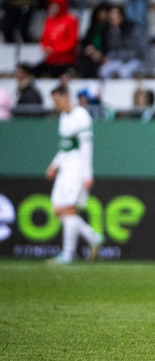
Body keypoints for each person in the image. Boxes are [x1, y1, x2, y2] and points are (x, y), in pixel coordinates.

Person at [45, 84, 104, 265]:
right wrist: (54, 165)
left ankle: (68, 254)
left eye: (56, 100)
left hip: (77, 168)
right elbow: (65, 147)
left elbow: (86, 147)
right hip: (65, 168)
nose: (55, 105)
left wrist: (87, 174)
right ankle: (92, 237)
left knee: (69, 209)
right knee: (57, 209)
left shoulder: (81, 116)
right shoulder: (63, 117)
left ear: (66, 97)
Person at [99, 5, 151, 79]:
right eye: (111, 19)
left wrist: (147, 67)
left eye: (115, 18)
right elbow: (112, 49)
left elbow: (139, 51)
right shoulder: (110, 32)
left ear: (121, 17)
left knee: (124, 72)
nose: (113, 21)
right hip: (119, 60)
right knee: (103, 71)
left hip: (134, 60)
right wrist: (109, 57)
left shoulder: (133, 30)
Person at [35, 0, 79, 78]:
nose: (51, 7)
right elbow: (44, 38)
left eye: (54, 4)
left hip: (65, 59)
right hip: (51, 59)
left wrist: (54, 50)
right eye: (50, 5)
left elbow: (72, 42)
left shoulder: (71, 20)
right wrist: (46, 48)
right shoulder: (49, 20)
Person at [76, 1, 111, 78]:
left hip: (104, 57)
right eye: (101, 13)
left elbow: (111, 45)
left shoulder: (110, 29)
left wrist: (101, 54)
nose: (102, 16)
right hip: (90, 56)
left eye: (105, 13)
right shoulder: (92, 28)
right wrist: (87, 49)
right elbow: (85, 43)